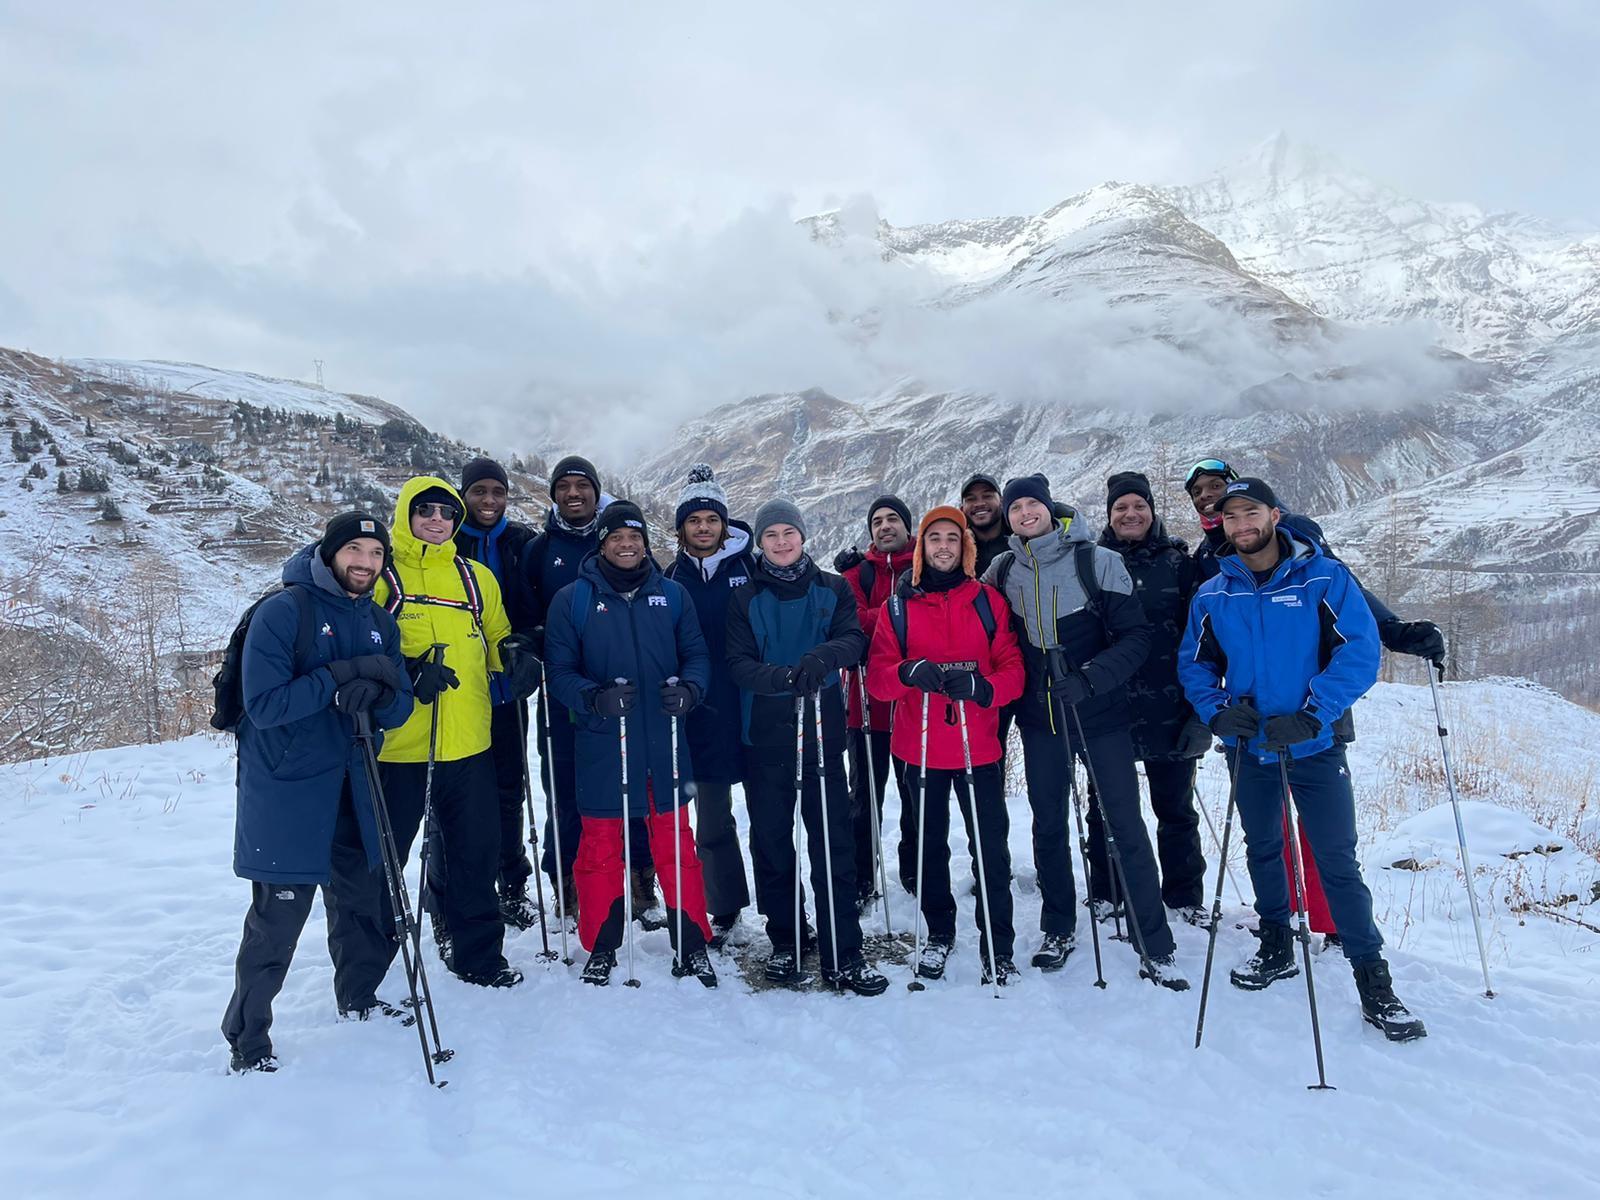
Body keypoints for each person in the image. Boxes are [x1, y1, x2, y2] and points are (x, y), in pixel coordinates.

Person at [1178, 477, 1425, 1040]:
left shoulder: (1325, 578)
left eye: (1250, 513)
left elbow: (1359, 653)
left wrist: (1315, 714)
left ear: (1274, 514)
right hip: (1249, 745)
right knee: (1263, 847)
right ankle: (1275, 944)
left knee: (1337, 860)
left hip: (1314, 744)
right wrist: (1216, 712)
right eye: (1230, 517)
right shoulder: (1215, 593)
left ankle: (1373, 979)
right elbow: (1193, 664)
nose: (1241, 525)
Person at [221, 511, 414, 1073]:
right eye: (354, 550)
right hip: (289, 787)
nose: (366, 563)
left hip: (355, 780)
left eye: (376, 554)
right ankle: (248, 1038)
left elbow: (399, 706)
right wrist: (340, 678)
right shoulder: (285, 612)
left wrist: (375, 691)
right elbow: (265, 705)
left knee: (358, 901)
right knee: (277, 917)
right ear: (330, 554)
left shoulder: (380, 620)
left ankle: (359, 998)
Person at [982, 474, 1188, 988]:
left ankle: (1153, 938)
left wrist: (1092, 678)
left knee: (1124, 821)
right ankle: (1058, 927)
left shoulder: (1096, 560)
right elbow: (977, 619)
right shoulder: (1001, 568)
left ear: (1050, 508)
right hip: (1040, 716)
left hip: (1101, 714)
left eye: (1033, 503)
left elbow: (1135, 636)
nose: (1026, 513)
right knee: (1048, 823)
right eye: (1016, 507)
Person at [543, 500, 719, 986]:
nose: (626, 545)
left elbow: (697, 656)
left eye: (635, 537)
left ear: (646, 542)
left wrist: (689, 690)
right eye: (617, 537)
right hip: (605, 743)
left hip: (665, 743)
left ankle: (692, 940)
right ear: (602, 543)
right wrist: (593, 698)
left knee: (676, 843)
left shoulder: (674, 596)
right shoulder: (573, 600)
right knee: (599, 846)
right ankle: (601, 944)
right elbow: (557, 670)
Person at [373, 476, 535, 989]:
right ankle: (367, 970)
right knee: (384, 858)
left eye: (446, 512)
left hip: (468, 741)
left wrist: (517, 656)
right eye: (426, 511)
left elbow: (498, 636)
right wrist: (406, 671)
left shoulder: (476, 578)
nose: (437, 520)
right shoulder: (382, 575)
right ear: (406, 514)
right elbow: (361, 648)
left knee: (475, 851)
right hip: (399, 746)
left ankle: (478, 956)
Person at [727, 499, 890, 995]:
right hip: (767, 735)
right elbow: (737, 662)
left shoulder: (831, 588)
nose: (780, 542)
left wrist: (821, 658)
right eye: (771, 534)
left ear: (802, 536)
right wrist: (781, 677)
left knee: (831, 844)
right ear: (760, 542)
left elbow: (852, 641)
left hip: (822, 734)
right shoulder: (745, 596)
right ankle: (787, 939)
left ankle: (845, 950)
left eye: (788, 533)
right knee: (773, 844)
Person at [867, 506, 1025, 983]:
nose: (942, 547)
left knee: (990, 850)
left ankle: (998, 946)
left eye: (951, 539)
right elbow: (877, 678)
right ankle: (939, 934)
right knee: (928, 848)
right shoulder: (898, 607)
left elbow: (1013, 668)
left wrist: (984, 689)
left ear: (965, 548)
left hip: (978, 745)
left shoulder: (987, 602)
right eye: (933, 538)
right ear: (921, 547)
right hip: (919, 748)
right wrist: (905, 672)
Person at [521, 455, 654, 924]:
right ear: (553, 493)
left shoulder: (623, 540)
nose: (574, 493)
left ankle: (640, 877)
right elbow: (524, 612)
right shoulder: (539, 550)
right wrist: (536, 642)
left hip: (626, 691)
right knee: (564, 784)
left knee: (631, 779)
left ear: (598, 493)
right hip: (563, 689)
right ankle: (570, 883)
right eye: (565, 486)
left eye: (583, 485)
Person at [1088, 471, 1211, 924]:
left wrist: (1200, 712)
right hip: (1109, 707)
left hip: (1170, 705)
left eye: (1139, 505)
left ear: (1152, 512)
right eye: (1121, 507)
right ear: (1109, 515)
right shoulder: (1092, 563)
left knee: (1175, 808)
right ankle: (1108, 891)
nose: (1130, 514)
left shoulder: (1179, 564)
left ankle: (1182, 897)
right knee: (1103, 809)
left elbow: (1201, 636)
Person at [664, 464, 756, 945]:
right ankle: (722, 906)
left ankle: (785, 909)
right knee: (710, 814)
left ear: (724, 523)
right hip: (695, 711)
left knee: (763, 815)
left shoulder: (751, 568)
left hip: (750, 707)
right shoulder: (670, 577)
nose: (703, 528)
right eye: (694, 520)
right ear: (682, 527)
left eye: (711, 519)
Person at [452, 457, 544, 931]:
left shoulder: (520, 543)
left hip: (508, 685)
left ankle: (512, 886)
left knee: (510, 791)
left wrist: (527, 646)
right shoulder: (448, 538)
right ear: (465, 494)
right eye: (480, 491)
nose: (489, 501)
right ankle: (457, 892)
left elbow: (532, 606)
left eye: (498, 492)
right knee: (458, 795)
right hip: (456, 692)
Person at [835, 495, 918, 903]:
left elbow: (926, 625)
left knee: (915, 794)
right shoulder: (858, 571)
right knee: (863, 798)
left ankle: (915, 869)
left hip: (914, 704)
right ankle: (862, 876)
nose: (885, 526)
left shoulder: (927, 565)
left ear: (907, 525)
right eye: (877, 521)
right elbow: (850, 621)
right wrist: (897, 610)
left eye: (892, 520)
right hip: (863, 704)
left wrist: (878, 617)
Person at [960, 473, 1010, 577]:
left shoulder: (1022, 538)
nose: (979, 503)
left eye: (987, 496)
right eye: (971, 499)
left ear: (1001, 501)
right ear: (962, 508)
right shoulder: (957, 548)